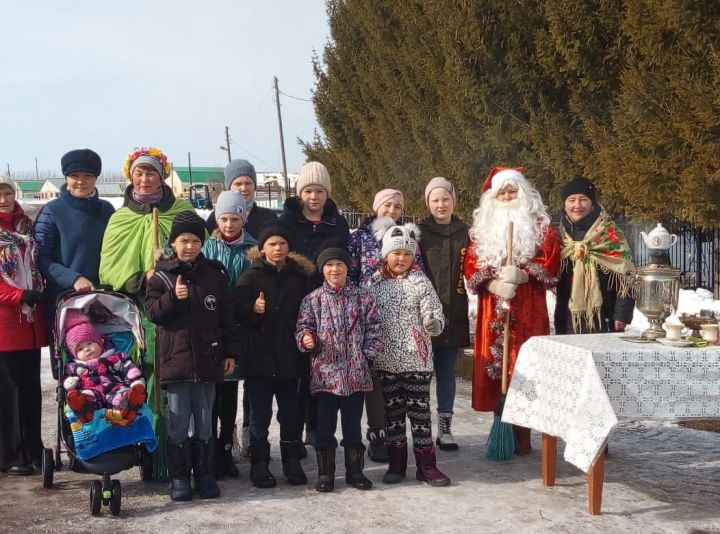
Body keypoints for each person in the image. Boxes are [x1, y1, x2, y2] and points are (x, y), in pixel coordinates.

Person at [99, 146, 195, 479]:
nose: (144, 178)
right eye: (139, 172)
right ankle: (145, 450)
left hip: (179, 311)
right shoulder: (120, 218)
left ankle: (176, 454)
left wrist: (170, 269)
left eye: (151, 172)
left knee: (175, 379)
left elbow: (197, 252)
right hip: (137, 311)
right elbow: (109, 268)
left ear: (162, 175)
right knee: (141, 376)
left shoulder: (181, 211)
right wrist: (143, 278)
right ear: (131, 176)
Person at [463, 167, 560, 454]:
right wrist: (492, 283)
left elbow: (551, 258)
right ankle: (500, 427)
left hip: (528, 303)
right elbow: (471, 264)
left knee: (525, 364)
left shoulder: (541, 224)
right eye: (501, 192)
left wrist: (524, 274)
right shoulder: (482, 228)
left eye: (512, 191)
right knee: (496, 363)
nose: (507, 197)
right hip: (494, 305)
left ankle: (523, 435)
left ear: (523, 193)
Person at [145, 211, 239, 501]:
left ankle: (205, 473)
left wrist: (230, 352)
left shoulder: (214, 275)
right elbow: (153, 314)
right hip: (176, 365)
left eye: (195, 240)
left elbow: (227, 319)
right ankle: (180, 476)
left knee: (203, 420)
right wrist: (173, 297)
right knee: (177, 421)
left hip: (208, 362)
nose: (189, 246)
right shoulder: (161, 275)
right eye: (184, 240)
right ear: (173, 242)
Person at [295, 240, 384, 492]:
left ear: (348, 267)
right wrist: (306, 339)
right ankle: (326, 473)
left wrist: (366, 355)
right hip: (325, 376)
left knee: (353, 427)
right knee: (325, 428)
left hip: (356, 376)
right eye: (330, 265)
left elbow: (376, 329)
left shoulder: (362, 297)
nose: (335, 269)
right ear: (323, 269)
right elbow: (303, 327)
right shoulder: (313, 300)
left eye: (340, 265)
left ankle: (355, 471)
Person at [367, 219, 451, 487]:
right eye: (396, 253)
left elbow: (434, 310)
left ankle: (427, 466)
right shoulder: (374, 284)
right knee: (392, 417)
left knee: (420, 416)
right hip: (387, 361)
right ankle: (396, 464)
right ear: (386, 255)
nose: (401, 258)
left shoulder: (420, 282)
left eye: (406, 253)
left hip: (416, 359)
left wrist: (433, 322)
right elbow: (366, 316)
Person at [347, 188, 425, 462]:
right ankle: (377, 434)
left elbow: (419, 273)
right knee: (375, 380)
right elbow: (351, 277)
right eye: (387, 206)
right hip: (370, 319)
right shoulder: (358, 240)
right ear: (376, 207)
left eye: (397, 207)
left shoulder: (407, 237)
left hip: (402, 319)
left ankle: (397, 434)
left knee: (399, 379)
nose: (392, 211)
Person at [235, 223, 315, 488]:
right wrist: (253, 309)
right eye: (271, 244)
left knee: (291, 413)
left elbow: (310, 313)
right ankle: (260, 463)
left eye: (281, 243)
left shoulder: (300, 278)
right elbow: (237, 313)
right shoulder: (250, 277)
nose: (277, 248)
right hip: (260, 358)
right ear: (262, 249)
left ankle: (292, 461)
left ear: (288, 246)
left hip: (292, 358)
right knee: (260, 415)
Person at [279, 161, 350, 452]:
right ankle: (294, 433)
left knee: (324, 368)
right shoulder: (287, 222)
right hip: (296, 301)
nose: (313, 197)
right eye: (308, 190)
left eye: (319, 191)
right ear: (300, 193)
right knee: (298, 370)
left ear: (327, 193)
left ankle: (319, 430)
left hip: (330, 304)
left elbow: (344, 261)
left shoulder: (338, 222)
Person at [34, 149, 114, 378]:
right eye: (75, 175)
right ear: (66, 177)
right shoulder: (52, 212)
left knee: (106, 371)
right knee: (71, 376)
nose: (81, 181)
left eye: (88, 176)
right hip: (66, 303)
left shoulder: (107, 210)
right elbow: (41, 258)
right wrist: (73, 278)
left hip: (103, 302)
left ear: (96, 178)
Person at [201, 191, 256, 478]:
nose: (229, 224)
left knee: (230, 391)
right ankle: (209, 448)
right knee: (212, 392)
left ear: (243, 218)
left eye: (235, 218)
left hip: (239, 328)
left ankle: (225, 445)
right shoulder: (207, 248)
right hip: (212, 327)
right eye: (224, 218)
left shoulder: (253, 250)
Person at [0, 174, 47, 475]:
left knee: (32, 390)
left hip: (30, 321)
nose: (3, 199)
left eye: (7, 193)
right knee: (8, 393)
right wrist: (18, 295)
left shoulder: (26, 227)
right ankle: (10, 454)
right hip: (5, 325)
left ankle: (33, 447)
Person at [418, 177, 469, 451]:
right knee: (422, 374)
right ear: (428, 203)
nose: (441, 204)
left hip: (454, 314)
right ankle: (422, 424)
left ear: (453, 201)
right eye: (435, 200)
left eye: (445, 199)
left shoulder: (465, 233)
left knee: (447, 372)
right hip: (423, 316)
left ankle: (446, 427)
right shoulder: (419, 233)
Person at [555, 177, 635, 334]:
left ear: (592, 204)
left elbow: (627, 274)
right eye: (571, 200)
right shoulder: (559, 236)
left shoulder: (609, 233)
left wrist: (622, 313)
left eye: (583, 199)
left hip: (604, 316)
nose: (577, 205)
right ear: (565, 205)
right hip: (566, 318)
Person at [63, 310, 146, 424]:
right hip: (91, 390)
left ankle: (127, 408)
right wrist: (70, 382)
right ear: (74, 354)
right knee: (85, 397)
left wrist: (135, 381)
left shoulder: (114, 357)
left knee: (122, 395)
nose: (87, 349)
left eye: (90, 343)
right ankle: (85, 411)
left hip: (114, 387)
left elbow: (128, 367)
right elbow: (69, 379)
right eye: (80, 349)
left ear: (100, 341)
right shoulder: (74, 367)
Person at [205, 158, 278, 238]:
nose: (244, 188)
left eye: (248, 183)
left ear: (255, 186)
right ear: (229, 187)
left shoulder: (268, 217)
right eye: (238, 184)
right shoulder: (216, 218)